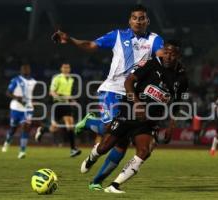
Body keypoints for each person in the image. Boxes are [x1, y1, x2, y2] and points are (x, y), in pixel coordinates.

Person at [52, 4, 164, 190]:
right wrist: (70, 40)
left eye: (142, 18)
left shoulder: (154, 39)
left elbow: (162, 57)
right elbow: (91, 45)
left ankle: (96, 182)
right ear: (130, 20)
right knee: (111, 130)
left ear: (147, 21)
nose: (138, 21)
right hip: (113, 89)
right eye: (135, 18)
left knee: (122, 142)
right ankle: (89, 122)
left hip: (134, 95)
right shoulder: (117, 35)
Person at [81, 42, 189, 193]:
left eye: (172, 54)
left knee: (145, 151)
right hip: (129, 111)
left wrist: (171, 125)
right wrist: (137, 103)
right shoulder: (151, 63)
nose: (168, 56)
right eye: (166, 52)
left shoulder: (182, 78)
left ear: (178, 56)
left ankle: (114, 186)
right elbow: (128, 82)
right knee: (105, 147)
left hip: (149, 121)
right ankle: (93, 155)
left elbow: (178, 102)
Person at [35, 62, 81, 157]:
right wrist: (62, 98)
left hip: (66, 105)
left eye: (68, 67)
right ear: (61, 69)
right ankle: (43, 130)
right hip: (58, 104)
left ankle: (73, 149)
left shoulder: (71, 80)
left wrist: (72, 100)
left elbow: (67, 94)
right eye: (64, 67)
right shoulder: (57, 78)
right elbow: (51, 92)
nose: (66, 69)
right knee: (54, 128)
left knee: (70, 125)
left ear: (70, 69)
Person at [1, 64, 37, 159]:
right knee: (13, 128)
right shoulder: (15, 80)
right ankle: (7, 142)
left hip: (28, 109)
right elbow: (8, 93)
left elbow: (31, 95)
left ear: (30, 70)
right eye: (24, 69)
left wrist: (32, 102)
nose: (25, 70)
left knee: (25, 127)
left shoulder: (33, 82)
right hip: (16, 108)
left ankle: (22, 151)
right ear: (21, 70)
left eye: (27, 69)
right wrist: (17, 98)